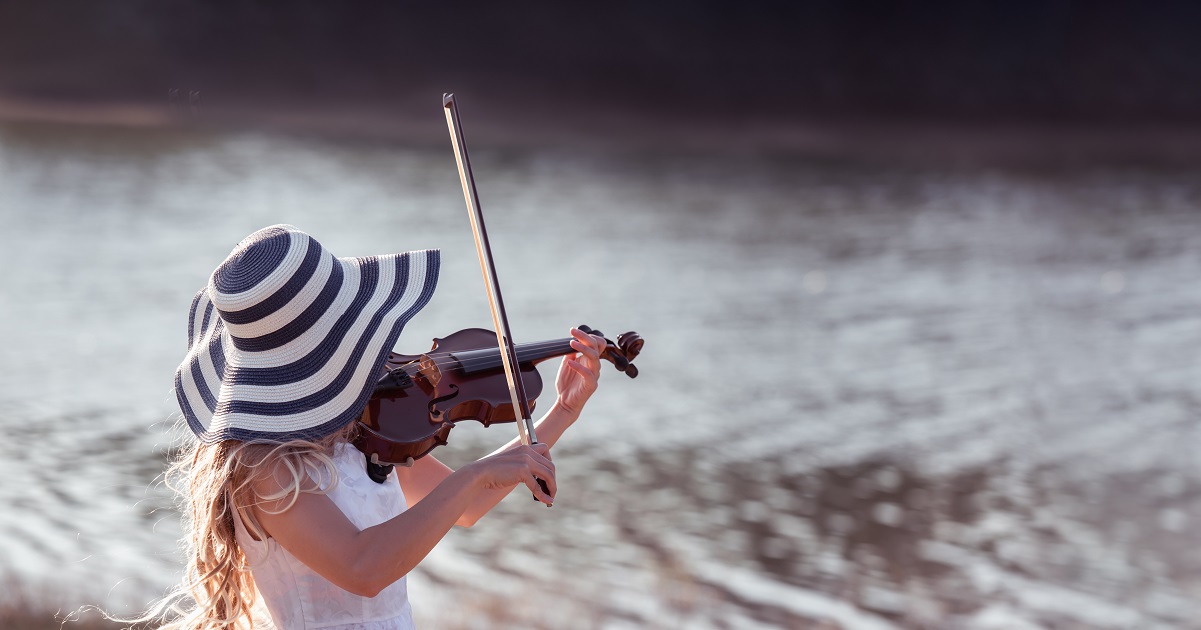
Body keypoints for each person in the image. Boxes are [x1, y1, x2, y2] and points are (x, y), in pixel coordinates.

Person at [148, 224, 604, 629]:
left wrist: (562, 411)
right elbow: (362, 567)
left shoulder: (357, 433)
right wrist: (475, 473)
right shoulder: (263, 467)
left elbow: (465, 506)